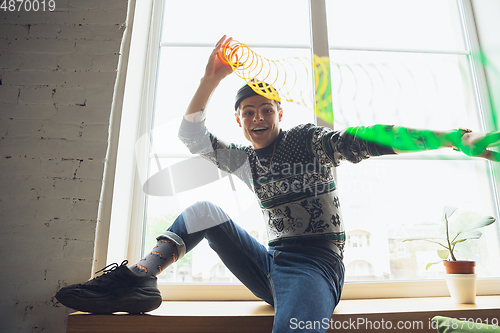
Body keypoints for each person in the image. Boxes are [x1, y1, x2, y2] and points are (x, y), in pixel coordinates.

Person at [55, 36, 500, 332]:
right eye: (248, 112)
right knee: (204, 211)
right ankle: (139, 279)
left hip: (316, 267)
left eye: (265, 109)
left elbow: (369, 138)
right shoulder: (246, 161)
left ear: (278, 113)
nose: (257, 118)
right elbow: (191, 136)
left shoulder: (308, 142)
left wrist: (457, 139)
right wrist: (211, 79)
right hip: (270, 264)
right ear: (240, 120)